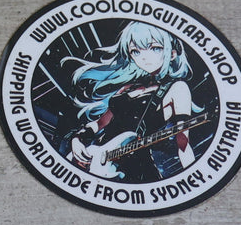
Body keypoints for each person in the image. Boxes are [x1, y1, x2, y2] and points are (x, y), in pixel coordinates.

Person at [62, 21, 205, 181]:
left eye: (155, 48)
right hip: (98, 161)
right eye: (136, 51)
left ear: (172, 54)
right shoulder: (128, 88)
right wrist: (77, 139)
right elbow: (100, 123)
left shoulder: (177, 88)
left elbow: (183, 143)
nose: (144, 57)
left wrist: (193, 181)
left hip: (136, 170)